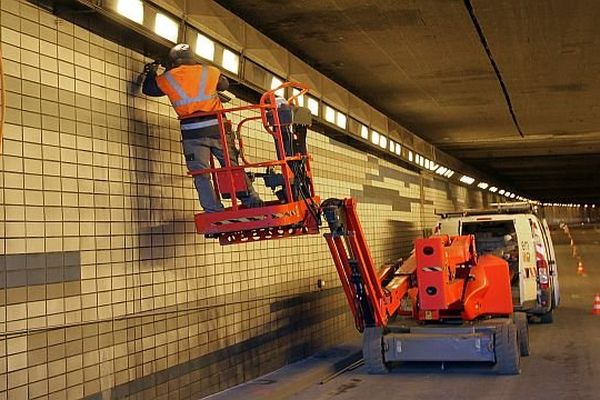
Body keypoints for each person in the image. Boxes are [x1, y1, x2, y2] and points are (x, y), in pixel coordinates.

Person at [141, 43, 263, 212]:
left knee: (201, 174)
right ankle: (251, 199)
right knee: (231, 165)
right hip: (217, 127)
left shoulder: (168, 78)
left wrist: (152, 72)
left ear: (174, 61)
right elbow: (224, 85)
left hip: (192, 132)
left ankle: (213, 209)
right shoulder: (210, 71)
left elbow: (148, 90)